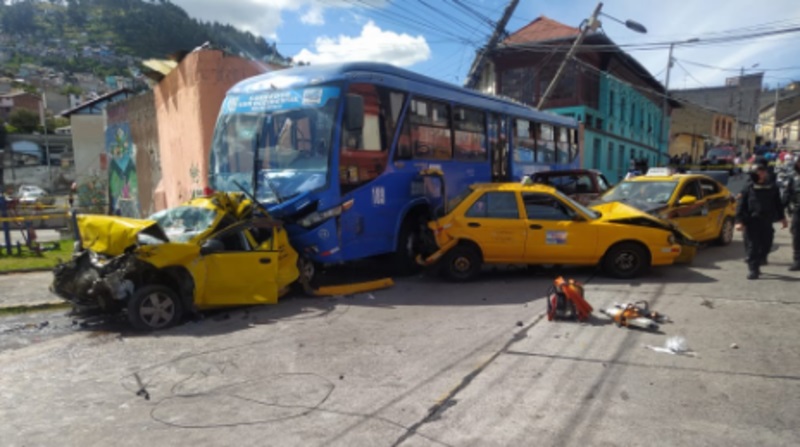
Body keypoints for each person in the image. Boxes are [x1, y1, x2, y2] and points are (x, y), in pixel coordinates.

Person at [735, 160, 788, 279]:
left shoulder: (772, 187)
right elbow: (741, 205)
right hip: (752, 221)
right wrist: (739, 221)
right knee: (753, 245)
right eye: (758, 171)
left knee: (766, 244)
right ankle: (753, 269)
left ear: (766, 173)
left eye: (762, 171)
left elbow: (778, 204)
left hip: (767, 220)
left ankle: (760, 259)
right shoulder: (748, 187)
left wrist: (782, 218)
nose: (760, 174)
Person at [782, 157, 800, 271]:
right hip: (798, 210)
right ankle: (797, 260)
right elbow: (787, 194)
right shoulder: (793, 178)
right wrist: (780, 211)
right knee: (797, 235)